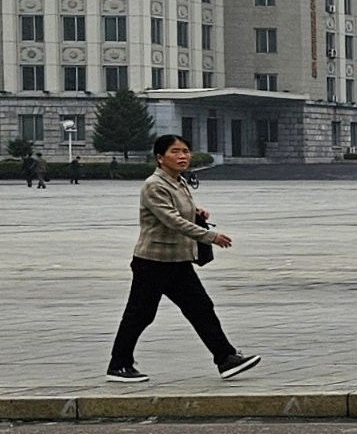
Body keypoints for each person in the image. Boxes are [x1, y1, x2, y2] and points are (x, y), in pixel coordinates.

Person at [106, 134, 260, 384]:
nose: (182, 156)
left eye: (185, 151)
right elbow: (172, 220)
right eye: (175, 152)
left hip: (177, 261)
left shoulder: (179, 181)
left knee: (201, 308)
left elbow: (180, 211)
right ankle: (119, 364)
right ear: (160, 158)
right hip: (153, 262)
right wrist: (210, 236)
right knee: (140, 314)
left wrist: (197, 212)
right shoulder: (154, 185)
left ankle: (226, 358)